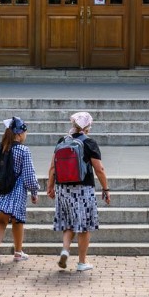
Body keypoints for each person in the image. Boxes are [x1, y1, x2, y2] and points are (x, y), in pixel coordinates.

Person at [48, 111, 110, 272]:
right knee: (84, 226)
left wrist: (50, 186)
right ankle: (82, 262)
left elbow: (53, 167)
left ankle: (65, 250)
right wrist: (105, 188)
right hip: (83, 189)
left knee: (69, 222)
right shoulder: (89, 143)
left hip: (63, 188)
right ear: (88, 126)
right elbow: (99, 169)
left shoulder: (63, 141)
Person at [0, 117, 40, 264]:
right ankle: (18, 253)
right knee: (17, 221)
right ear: (19, 134)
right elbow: (29, 175)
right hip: (15, 192)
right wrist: (34, 191)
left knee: (0, 221)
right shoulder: (23, 150)